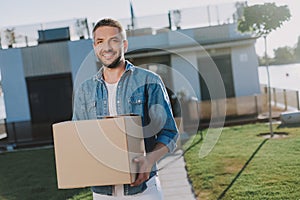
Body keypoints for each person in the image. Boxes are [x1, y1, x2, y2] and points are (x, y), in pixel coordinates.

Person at [72, 18, 179, 199]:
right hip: (102, 193)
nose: (107, 48)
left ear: (125, 45)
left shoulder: (149, 81)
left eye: (113, 40)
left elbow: (169, 133)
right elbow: (78, 137)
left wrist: (149, 160)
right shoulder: (85, 90)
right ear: (94, 47)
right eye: (100, 42)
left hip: (144, 190)